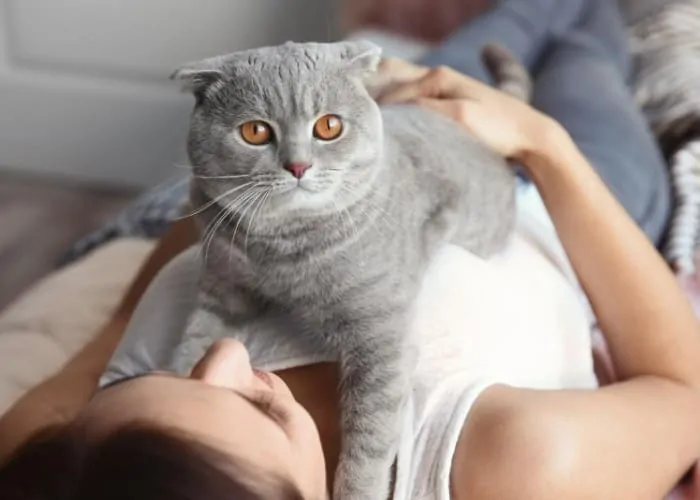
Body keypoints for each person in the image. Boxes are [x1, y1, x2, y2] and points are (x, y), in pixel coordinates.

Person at [1, 1, 696, 499]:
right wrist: (543, 143)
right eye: (254, 407)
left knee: (508, 21)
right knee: (589, 44)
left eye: (163, 380)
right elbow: (685, 396)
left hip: (370, 134)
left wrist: (240, 196)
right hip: (545, 202)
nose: (224, 355)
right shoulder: (511, 467)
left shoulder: (63, 457)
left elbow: (124, 318)